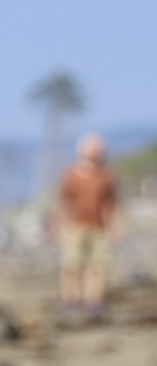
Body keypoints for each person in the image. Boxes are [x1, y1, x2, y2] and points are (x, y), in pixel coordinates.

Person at [55, 134, 120, 319]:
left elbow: (112, 203)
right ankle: (70, 299)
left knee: (98, 266)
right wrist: (58, 224)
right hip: (75, 226)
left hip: (99, 227)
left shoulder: (107, 176)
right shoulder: (70, 175)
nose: (95, 153)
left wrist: (115, 225)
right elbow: (62, 201)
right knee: (71, 265)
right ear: (82, 151)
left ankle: (94, 300)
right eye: (92, 149)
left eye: (98, 149)